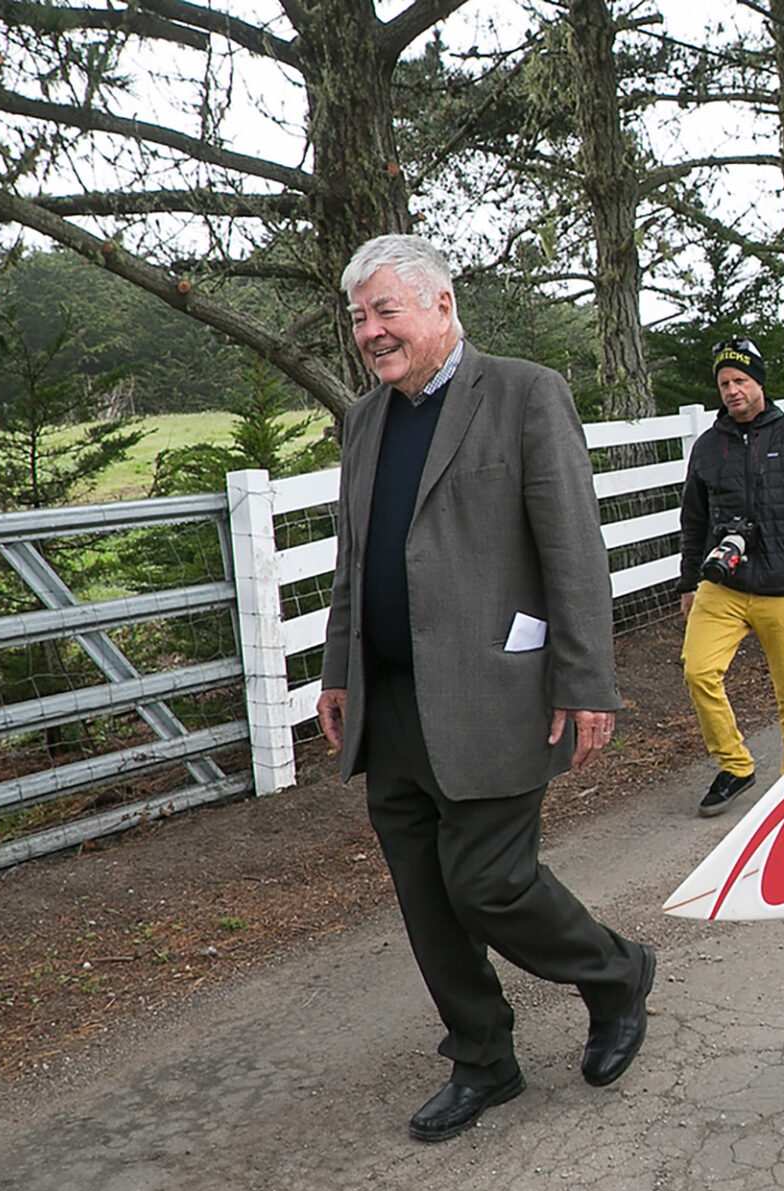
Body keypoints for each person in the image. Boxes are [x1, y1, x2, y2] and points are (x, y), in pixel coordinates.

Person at [317, 234, 656, 1143]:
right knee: (427, 894)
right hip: (389, 702)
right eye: (358, 317)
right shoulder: (365, 420)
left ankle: (615, 973)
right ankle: (483, 1057)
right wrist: (337, 671)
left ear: (440, 303)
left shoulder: (522, 393)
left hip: (493, 691)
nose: (370, 332)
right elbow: (355, 560)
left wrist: (588, 680)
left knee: (489, 882)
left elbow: (573, 548)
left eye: (386, 310)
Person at [678, 339, 784, 816]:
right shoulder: (709, 447)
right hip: (723, 583)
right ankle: (735, 765)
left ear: (759, 383)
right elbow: (693, 519)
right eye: (725, 383)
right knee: (698, 669)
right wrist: (688, 582)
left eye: (740, 381)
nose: (732, 391)